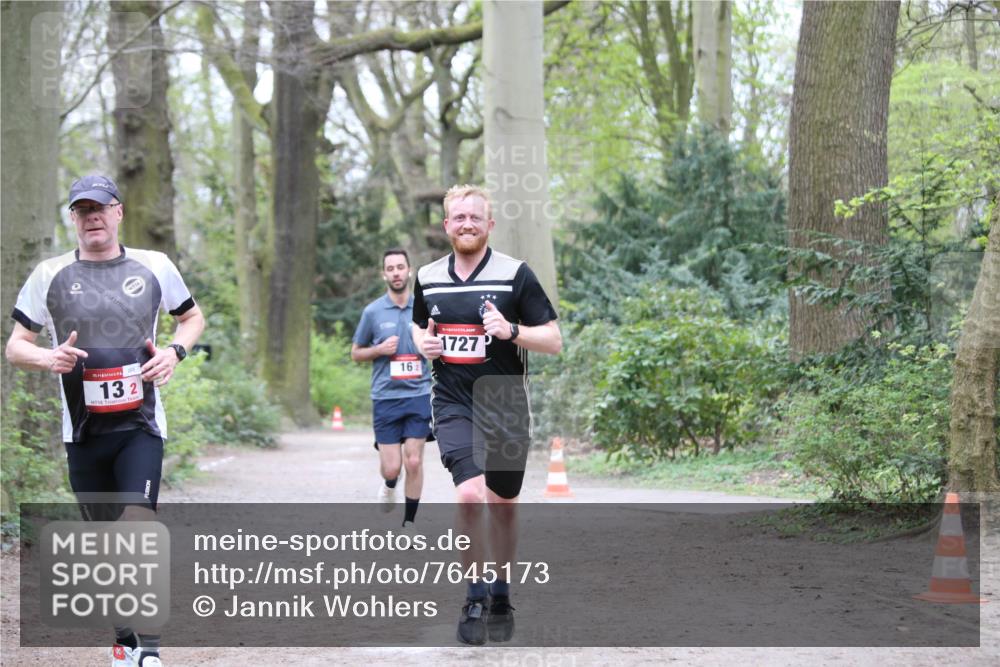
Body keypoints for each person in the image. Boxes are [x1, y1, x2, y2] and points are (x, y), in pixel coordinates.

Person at [5, 174, 205, 667]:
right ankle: (124, 640)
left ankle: (152, 653)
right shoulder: (48, 273)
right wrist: (48, 358)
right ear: (72, 218)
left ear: (118, 212)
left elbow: (192, 317)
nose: (91, 217)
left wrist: (176, 352)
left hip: (140, 428)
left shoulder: (155, 265)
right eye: (81, 210)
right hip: (82, 434)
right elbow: (14, 346)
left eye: (100, 208)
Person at [411, 184, 561, 645]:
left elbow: (553, 339)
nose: (467, 224)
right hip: (453, 400)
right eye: (459, 217)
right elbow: (419, 327)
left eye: (476, 217)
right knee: (471, 495)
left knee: (503, 506)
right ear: (447, 226)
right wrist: (423, 344)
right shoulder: (428, 276)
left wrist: (512, 330)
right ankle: (473, 595)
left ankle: (501, 590)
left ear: (489, 223)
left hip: (505, 401)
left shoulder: (515, 274)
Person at [351, 249, 433, 527]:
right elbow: (356, 353)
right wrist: (378, 350)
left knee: (413, 462)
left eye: (401, 267)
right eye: (391, 268)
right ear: (384, 274)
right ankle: (388, 484)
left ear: (409, 271)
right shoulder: (372, 312)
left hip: (419, 394)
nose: (396, 272)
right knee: (393, 467)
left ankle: (409, 523)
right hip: (386, 397)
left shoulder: (425, 309)